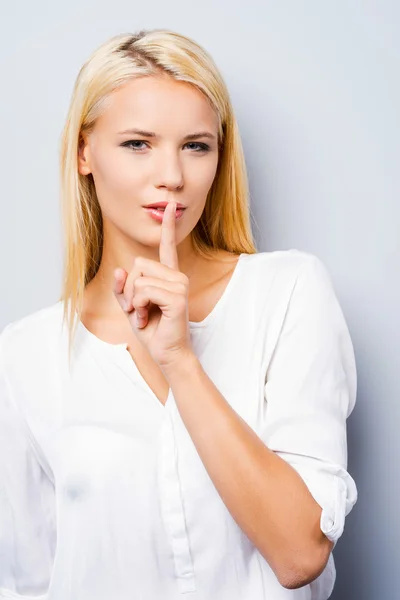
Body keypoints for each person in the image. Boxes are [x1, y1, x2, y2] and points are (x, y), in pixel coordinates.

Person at [0, 29, 358, 600]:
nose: (172, 175)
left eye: (196, 145)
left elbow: (300, 553)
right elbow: (29, 583)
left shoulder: (288, 292)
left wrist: (177, 359)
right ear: (84, 153)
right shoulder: (23, 359)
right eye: (138, 143)